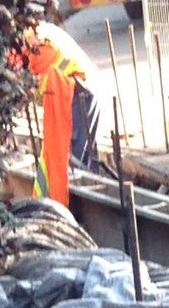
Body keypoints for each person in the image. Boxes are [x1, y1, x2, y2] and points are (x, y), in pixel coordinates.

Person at [21, 20, 107, 203]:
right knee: (85, 155)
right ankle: (89, 199)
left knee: (70, 158)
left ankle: (77, 205)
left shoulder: (31, 43)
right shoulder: (37, 31)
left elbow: (31, 86)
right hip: (86, 86)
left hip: (77, 92)